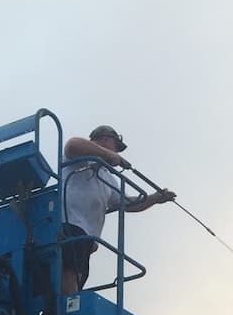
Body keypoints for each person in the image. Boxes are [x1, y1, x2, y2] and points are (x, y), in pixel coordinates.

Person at [60, 124, 175, 295]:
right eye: (116, 148)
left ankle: (67, 310)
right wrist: (107, 155)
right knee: (69, 271)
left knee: (77, 275)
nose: (118, 154)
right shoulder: (79, 158)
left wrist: (155, 198)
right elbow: (72, 145)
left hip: (87, 237)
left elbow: (127, 203)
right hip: (69, 225)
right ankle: (67, 312)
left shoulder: (109, 178)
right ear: (106, 140)